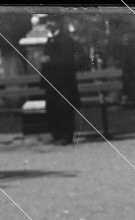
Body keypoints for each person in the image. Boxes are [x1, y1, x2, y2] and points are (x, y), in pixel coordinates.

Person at [39, 16, 81, 145]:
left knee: (64, 108)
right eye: (47, 21)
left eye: (52, 21)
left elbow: (67, 60)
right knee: (53, 108)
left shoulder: (66, 39)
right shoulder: (50, 39)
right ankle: (56, 134)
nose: (49, 24)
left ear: (58, 23)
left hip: (64, 81)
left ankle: (67, 136)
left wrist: (49, 60)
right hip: (52, 81)